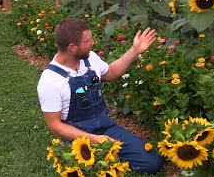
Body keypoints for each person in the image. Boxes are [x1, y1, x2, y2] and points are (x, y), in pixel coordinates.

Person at [37, 18, 162, 173]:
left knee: (151, 163)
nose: (92, 43)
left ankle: (110, 157)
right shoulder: (50, 81)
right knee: (91, 171)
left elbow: (110, 73)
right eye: (88, 41)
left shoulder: (90, 58)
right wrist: (95, 140)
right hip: (77, 139)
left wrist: (134, 50)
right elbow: (55, 126)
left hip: (106, 128)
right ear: (72, 47)